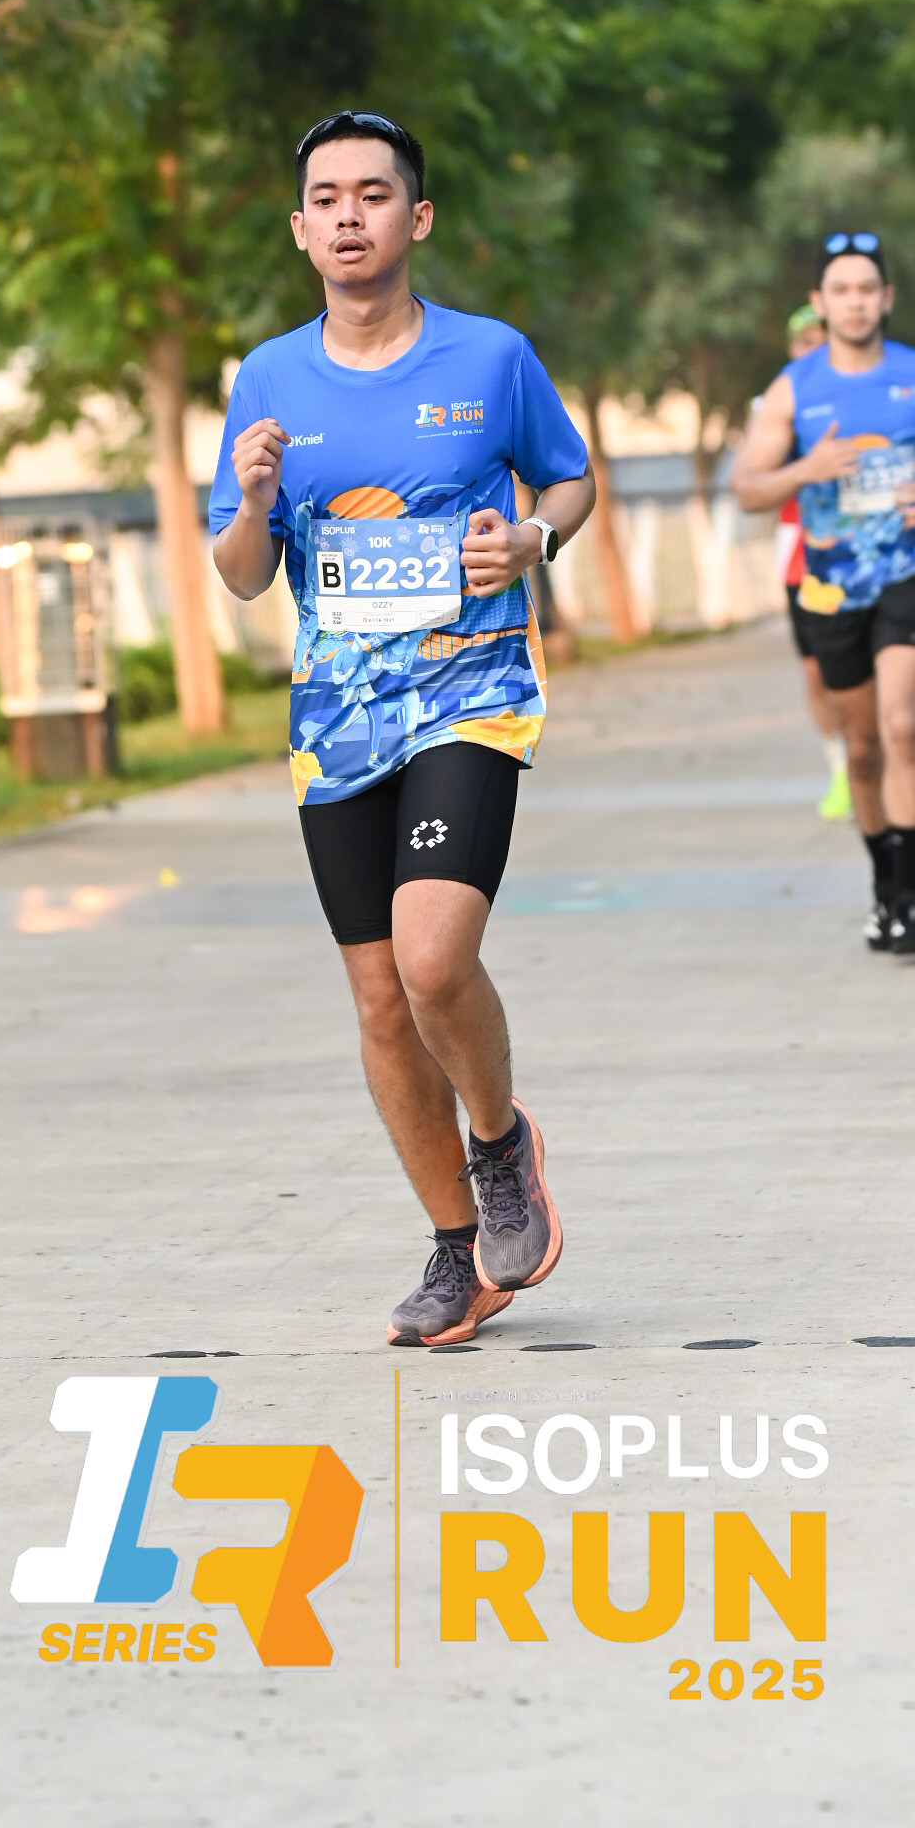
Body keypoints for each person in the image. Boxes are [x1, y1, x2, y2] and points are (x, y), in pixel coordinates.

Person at [211, 110, 595, 1351]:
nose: (349, 216)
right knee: (380, 1002)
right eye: (326, 198)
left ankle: (500, 1142)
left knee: (433, 962)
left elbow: (572, 478)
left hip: (470, 694)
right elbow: (242, 575)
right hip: (338, 721)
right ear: (299, 229)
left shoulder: (492, 358)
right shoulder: (270, 379)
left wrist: (532, 539)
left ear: (415, 217)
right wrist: (253, 504)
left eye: (373, 195)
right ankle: (455, 1250)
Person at [734, 233, 915, 955]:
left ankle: (910, 899)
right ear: (820, 303)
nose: (855, 302)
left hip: (913, 568)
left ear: (887, 299)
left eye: (867, 289)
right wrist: (806, 469)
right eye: (841, 291)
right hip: (831, 587)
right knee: (863, 745)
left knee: (903, 724)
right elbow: (747, 487)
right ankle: (884, 885)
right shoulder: (793, 389)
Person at [774, 304, 852, 821]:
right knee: (815, 672)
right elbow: (754, 482)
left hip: (860, 554)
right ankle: (841, 768)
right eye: (803, 342)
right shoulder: (777, 409)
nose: (812, 350)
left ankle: (870, 752)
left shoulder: (859, 398)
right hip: (802, 560)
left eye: (820, 341)